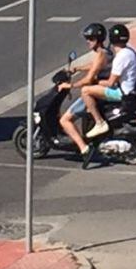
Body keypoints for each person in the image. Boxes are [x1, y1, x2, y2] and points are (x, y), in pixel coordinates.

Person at [58, 23, 113, 164]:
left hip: (95, 93)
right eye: (87, 38)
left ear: (98, 39)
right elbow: (94, 66)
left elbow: (88, 79)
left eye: (91, 39)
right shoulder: (106, 52)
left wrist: (70, 85)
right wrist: (77, 68)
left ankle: (84, 148)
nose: (88, 41)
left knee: (65, 120)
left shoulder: (101, 54)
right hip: (100, 91)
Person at [81, 23, 136, 141]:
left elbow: (110, 83)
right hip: (132, 90)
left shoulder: (121, 57)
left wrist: (96, 82)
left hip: (122, 94)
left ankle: (99, 123)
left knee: (85, 91)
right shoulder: (130, 52)